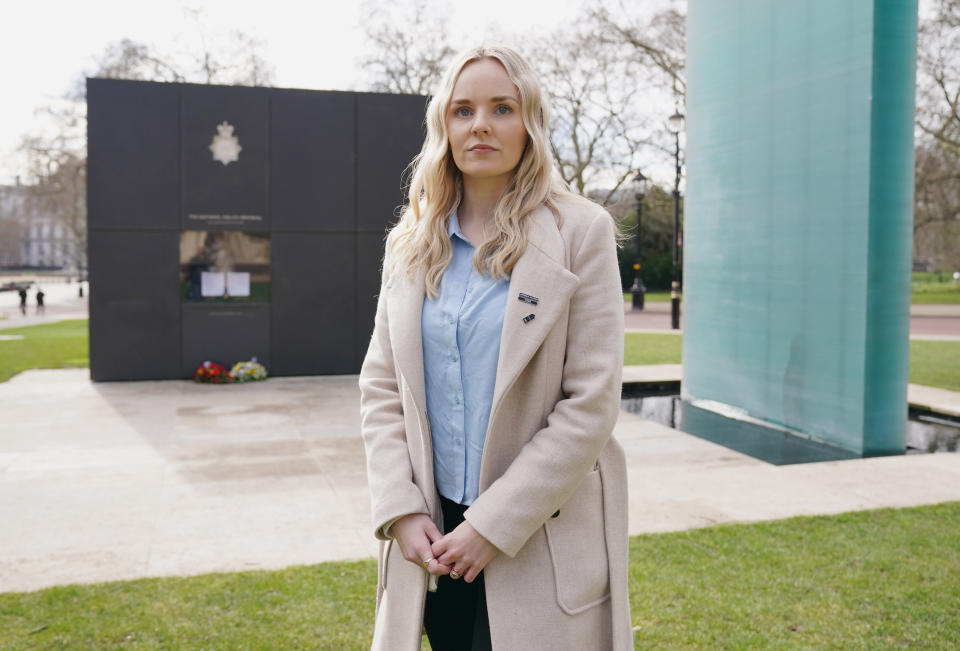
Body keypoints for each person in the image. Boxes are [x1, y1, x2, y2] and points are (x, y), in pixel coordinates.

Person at [359, 44, 631, 650]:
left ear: (529, 124)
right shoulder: (410, 241)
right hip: (431, 538)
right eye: (463, 110)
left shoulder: (580, 232)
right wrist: (400, 508)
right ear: (444, 128)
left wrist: (493, 524)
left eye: (501, 107)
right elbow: (380, 387)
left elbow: (590, 403)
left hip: (537, 533)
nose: (480, 123)